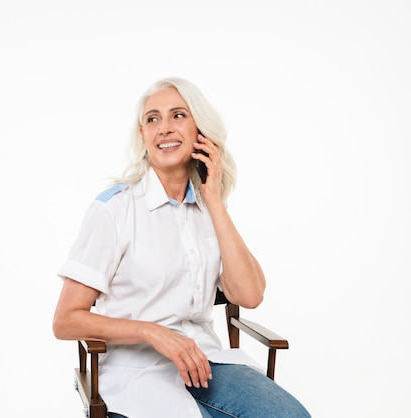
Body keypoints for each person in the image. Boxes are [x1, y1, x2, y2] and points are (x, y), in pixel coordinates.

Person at [52, 77, 310, 418]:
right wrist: (153, 332)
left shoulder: (209, 210)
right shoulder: (114, 209)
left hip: (206, 362)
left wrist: (214, 198)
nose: (164, 128)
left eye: (178, 115)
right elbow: (65, 321)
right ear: (142, 135)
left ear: (200, 131)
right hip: (136, 370)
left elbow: (250, 296)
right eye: (152, 118)